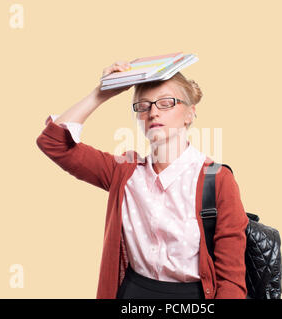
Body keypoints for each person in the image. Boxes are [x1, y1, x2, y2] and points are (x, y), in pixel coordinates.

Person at [36, 60, 249, 299]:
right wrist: (101, 93)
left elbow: (231, 280)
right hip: (133, 294)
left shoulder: (218, 179)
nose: (153, 112)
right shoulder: (124, 172)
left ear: (190, 113)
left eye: (166, 103)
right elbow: (53, 143)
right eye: (143, 106)